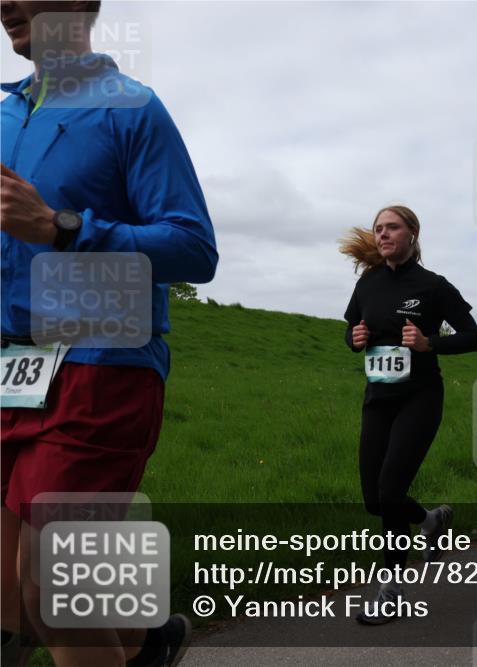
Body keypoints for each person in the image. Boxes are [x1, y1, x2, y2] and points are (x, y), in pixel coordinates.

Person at [1, 3, 217, 666]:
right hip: (12, 368)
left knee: (53, 593)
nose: (6, 4)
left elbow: (193, 248)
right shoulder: (3, 111)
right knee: (11, 601)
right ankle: (148, 642)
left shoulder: (133, 109)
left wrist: (64, 228)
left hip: (103, 362)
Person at [341, 205, 477, 624]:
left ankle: (392, 587)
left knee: (389, 490)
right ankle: (430, 520)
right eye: (379, 229)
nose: (383, 235)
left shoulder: (433, 286)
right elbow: (349, 328)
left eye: (392, 228)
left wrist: (428, 343)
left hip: (419, 399)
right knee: (374, 499)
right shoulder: (368, 283)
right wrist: (355, 337)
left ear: (412, 233)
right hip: (378, 399)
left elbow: (473, 338)